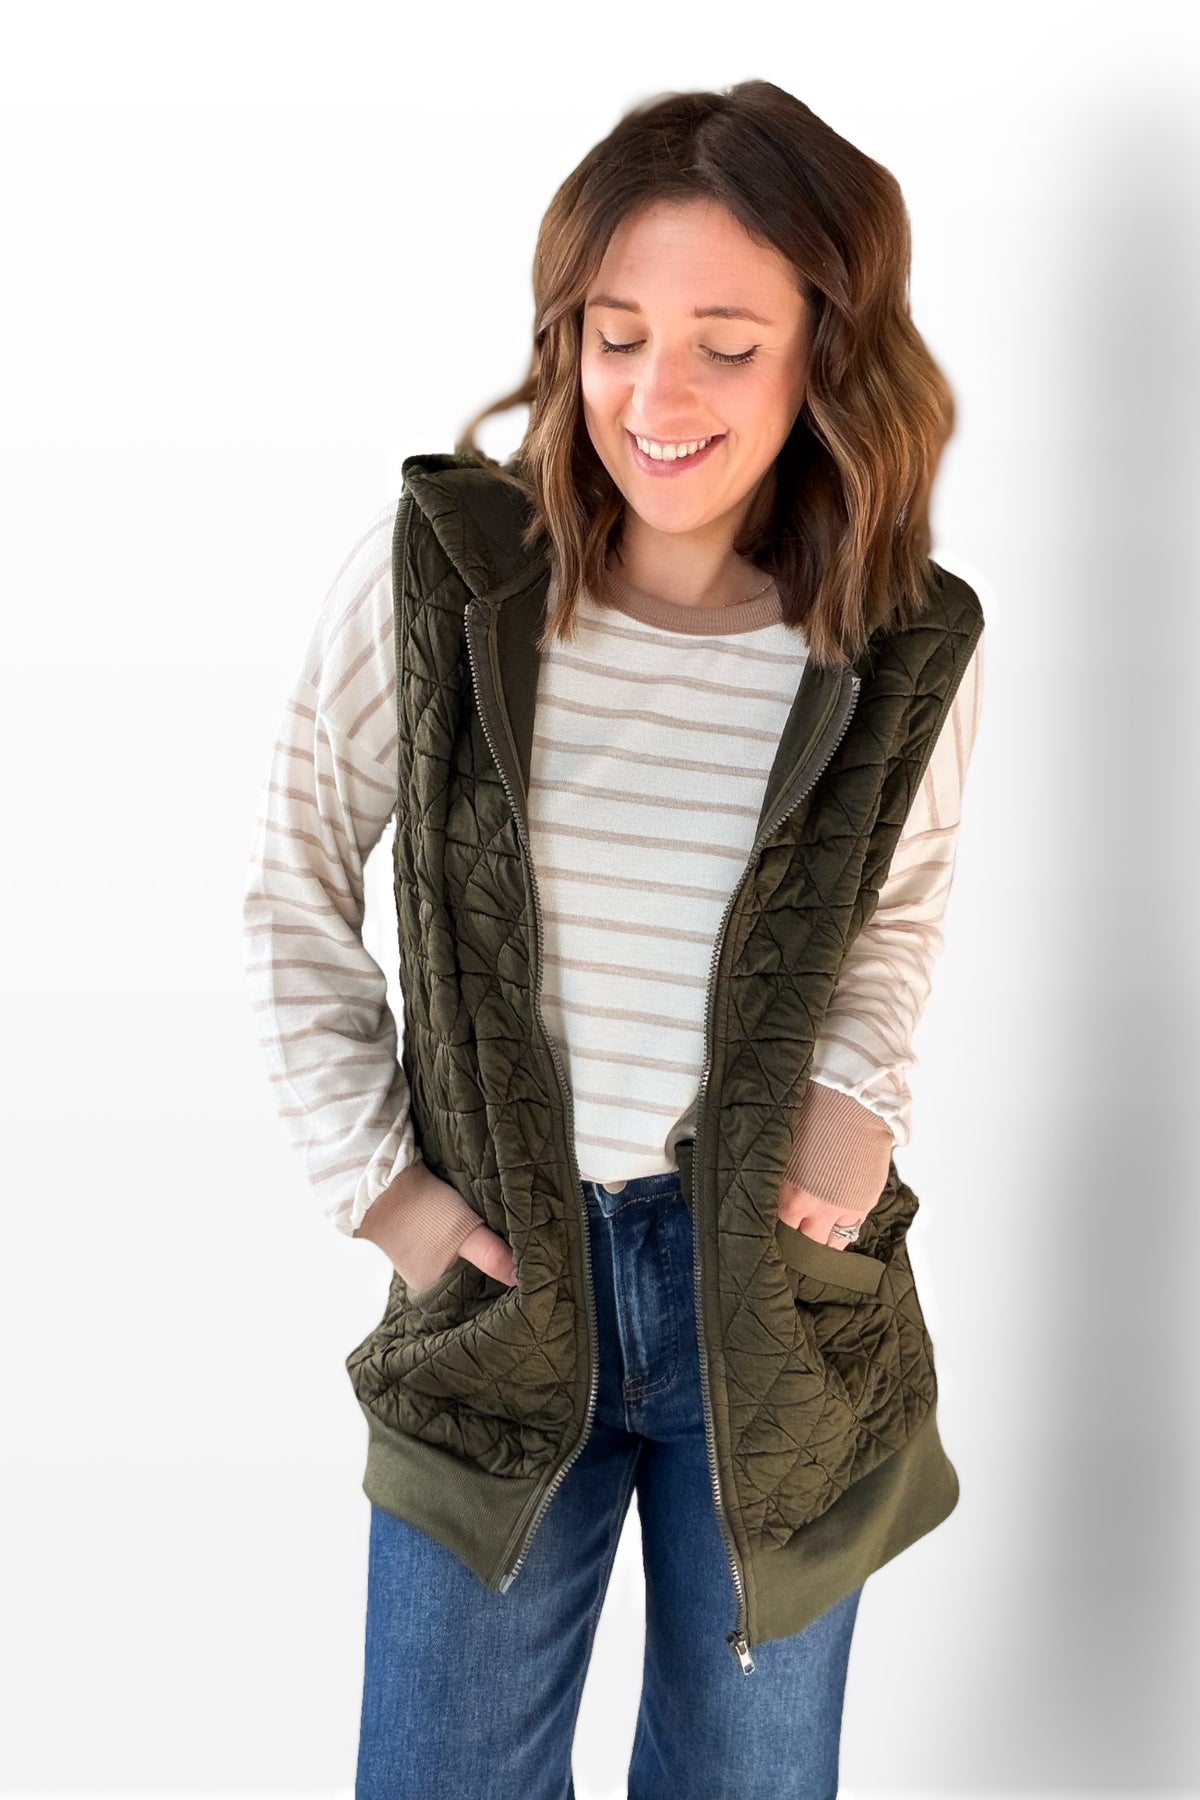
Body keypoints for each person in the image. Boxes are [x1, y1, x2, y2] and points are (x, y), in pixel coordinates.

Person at [242, 79, 985, 1800]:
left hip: (773, 1306)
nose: (659, 394)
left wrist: (861, 1097)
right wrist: (387, 1195)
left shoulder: (896, 642)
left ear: (828, 355)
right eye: (616, 332)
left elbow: (899, 918)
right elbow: (289, 878)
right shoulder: (445, 578)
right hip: (501, 1290)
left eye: (729, 342)